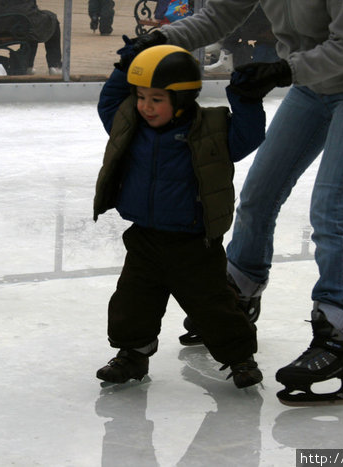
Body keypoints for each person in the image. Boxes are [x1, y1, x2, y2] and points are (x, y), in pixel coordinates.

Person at [131, 0, 343, 406]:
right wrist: (162, 38)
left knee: (332, 211)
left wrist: (282, 70)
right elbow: (220, 15)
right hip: (311, 89)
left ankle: (340, 340)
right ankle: (238, 296)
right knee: (258, 194)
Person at [93, 42, 267, 388]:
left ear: (183, 98)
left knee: (214, 307)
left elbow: (248, 136)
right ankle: (133, 354)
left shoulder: (210, 129)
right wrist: (122, 68)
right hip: (144, 238)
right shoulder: (131, 125)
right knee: (132, 302)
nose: (145, 107)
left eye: (156, 99)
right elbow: (109, 104)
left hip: (194, 243)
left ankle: (240, 359)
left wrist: (247, 98)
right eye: (141, 96)